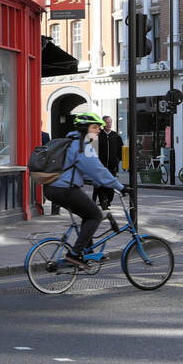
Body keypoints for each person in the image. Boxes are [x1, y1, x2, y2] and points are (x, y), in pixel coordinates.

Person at [44, 111, 125, 268]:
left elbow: (80, 171)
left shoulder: (70, 142)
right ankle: (75, 255)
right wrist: (120, 187)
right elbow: (98, 170)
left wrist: (96, 182)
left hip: (52, 188)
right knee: (95, 215)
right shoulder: (82, 146)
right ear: (85, 129)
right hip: (64, 189)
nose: (99, 130)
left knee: (88, 215)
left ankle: (87, 253)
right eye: (95, 127)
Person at [94, 115, 124, 209]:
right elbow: (93, 149)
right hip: (100, 165)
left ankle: (108, 201)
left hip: (112, 165)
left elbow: (121, 150)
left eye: (110, 122)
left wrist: (118, 160)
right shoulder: (98, 136)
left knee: (110, 184)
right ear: (103, 124)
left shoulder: (116, 136)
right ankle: (103, 200)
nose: (109, 124)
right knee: (100, 184)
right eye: (107, 122)